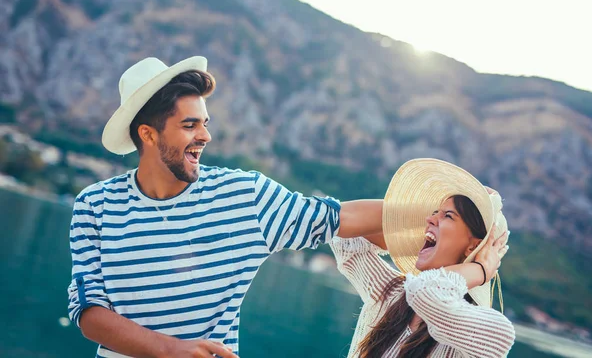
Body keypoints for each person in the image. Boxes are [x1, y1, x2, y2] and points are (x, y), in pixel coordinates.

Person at [67, 56, 384, 358]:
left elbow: (339, 215)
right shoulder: (95, 206)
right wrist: (172, 351)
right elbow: (89, 312)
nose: (205, 135)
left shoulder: (245, 195)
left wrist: (429, 207)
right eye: (189, 125)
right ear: (148, 134)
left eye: (204, 123)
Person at [330, 158, 515, 358]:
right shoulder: (393, 294)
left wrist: (481, 269)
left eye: (448, 216)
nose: (429, 218)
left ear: (474, 246)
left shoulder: (492, 334)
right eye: (434, 212)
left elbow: (425, 291)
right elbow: (341, 236)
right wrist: (412, 221)